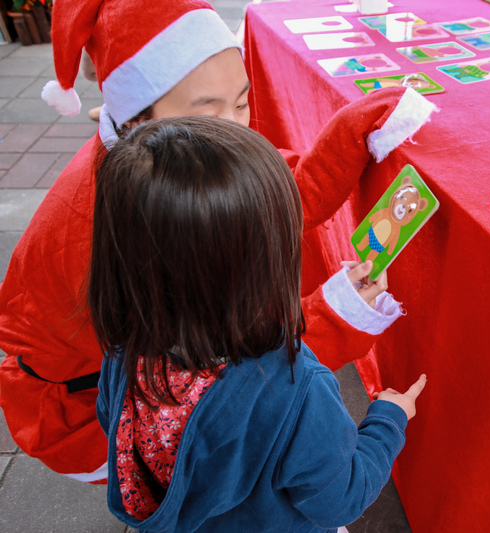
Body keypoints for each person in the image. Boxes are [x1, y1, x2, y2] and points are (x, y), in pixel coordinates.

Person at [0, 0, 435, 483]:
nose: (240, 126)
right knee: (226, 483)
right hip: (96, 415)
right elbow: (234, 373)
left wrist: (357, 128)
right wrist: (337, 317)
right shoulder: (143, 233)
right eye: (209, 111)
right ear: (139, 121)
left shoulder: (147, 160)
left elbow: (282, 195)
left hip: (125, 374)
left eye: (244, 101)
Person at [91, 115, 427, 532]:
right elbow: (340, 499)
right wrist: (388, 421)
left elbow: (114, 421)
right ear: (262, 267)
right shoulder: (298, 387)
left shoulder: (124, 349)